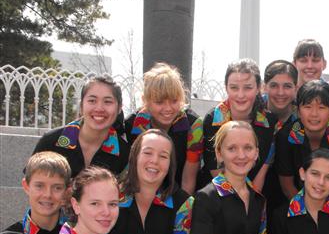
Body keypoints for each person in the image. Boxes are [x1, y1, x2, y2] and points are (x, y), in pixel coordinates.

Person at [191, 121, 287, 234]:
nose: (241, 155)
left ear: (257, 153)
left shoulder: (258, 200)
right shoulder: (206, 198)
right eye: (232, 148)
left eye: (248, 148)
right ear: (219, 154)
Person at [106, 129, 194, 234]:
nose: (155, 161)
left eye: (163, 156)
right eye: (148, 153)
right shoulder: (112, 199)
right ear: (135, 156)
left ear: (170, 163)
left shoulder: (184, 204)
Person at [199, 59, 276, 193]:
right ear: (226, 87)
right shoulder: (212, 120)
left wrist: (252, 201)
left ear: (258, 88)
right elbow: (214, 168)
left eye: (248, 88)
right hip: (217, 193)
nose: (240, 95)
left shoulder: (269, 122)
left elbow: (264, 165)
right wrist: (236, 201)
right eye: (234, 88)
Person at [124, 62, 201, 194]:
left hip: (177, 193)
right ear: (145, 100)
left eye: (174, 101)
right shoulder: (131, 124)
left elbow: (189, 177)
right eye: (159, 102)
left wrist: (183, 209)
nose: (168, 108)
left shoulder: (193, 125)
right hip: (140, 193)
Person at [32, 75, 129, 178]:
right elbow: (33, 185)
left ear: (119, 108)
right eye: (92, 101)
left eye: (108, 102)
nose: (99, 108)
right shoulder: (51, 142)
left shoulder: (124, 153)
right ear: (81, 106)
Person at [274, 80, 329, 200]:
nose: (314, 114)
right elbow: (287, 186)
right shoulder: (286, 137)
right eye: (307, 107)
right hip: (294, 201)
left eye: (321, 107)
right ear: (298, 111)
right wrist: (308, 213)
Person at [263, 59, 298, 132]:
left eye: (287, 86)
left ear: (296, 89)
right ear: (265, 87)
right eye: (274, 85)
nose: (280, 93)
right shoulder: (253, 112)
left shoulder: (304, 117)